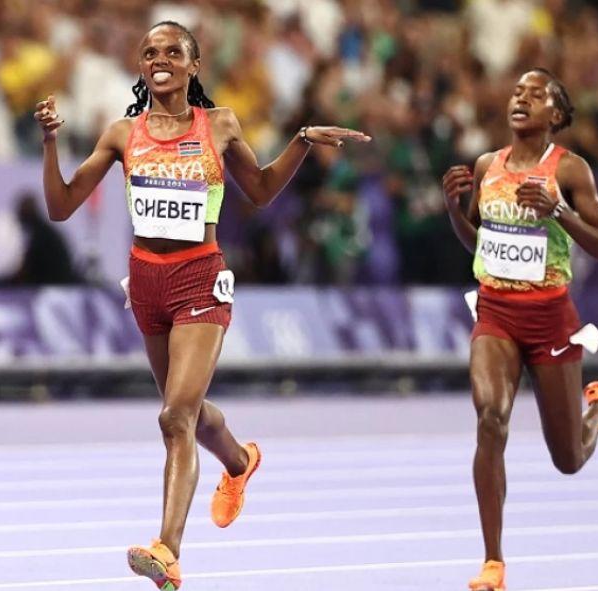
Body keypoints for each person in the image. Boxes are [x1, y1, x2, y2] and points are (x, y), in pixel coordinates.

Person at [35, 21, 370, 591]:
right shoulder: (122, 134)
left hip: (198, 281)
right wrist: (49, 144)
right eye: (149, 52)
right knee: (185, 411)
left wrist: (302, 141)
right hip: (145, 283)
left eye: (171, 51)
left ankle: (167, 550)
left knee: (174, 418)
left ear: (194, 65)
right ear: (142, 67)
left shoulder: (219, 125)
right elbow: (62, 206)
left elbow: (260, 191)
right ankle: (239, 461)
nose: (158, 58)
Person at [441, 68, 598, 591]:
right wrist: (455, 209)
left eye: (536, 94)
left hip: (550, 319)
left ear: (556, 116)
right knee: (490, 419)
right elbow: (478, 243)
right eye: (516, 92)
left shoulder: (569, 170)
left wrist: (561, 211)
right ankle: (493, 563)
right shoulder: (488, 165)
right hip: (496, 315)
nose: (521, 99)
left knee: (568, 459)